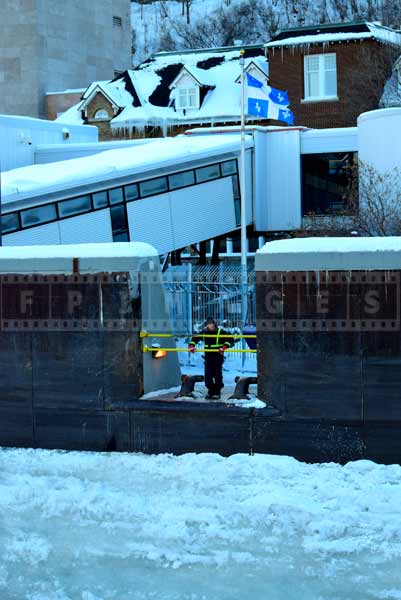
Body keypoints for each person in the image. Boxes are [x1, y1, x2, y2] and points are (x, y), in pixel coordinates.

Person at [188, 318, 235, 400]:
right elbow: (195, 338)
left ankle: (217, 391)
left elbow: (230, 340)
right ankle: (211, 390)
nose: (210, 325)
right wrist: (192, 345)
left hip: (217, 356)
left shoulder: (220, 332)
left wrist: (224, 347)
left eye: (211, 323)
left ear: (214, 324)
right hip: (208, 356)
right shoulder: (204, 332)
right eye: (208, 324)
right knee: (208, 375)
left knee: (217, 374)